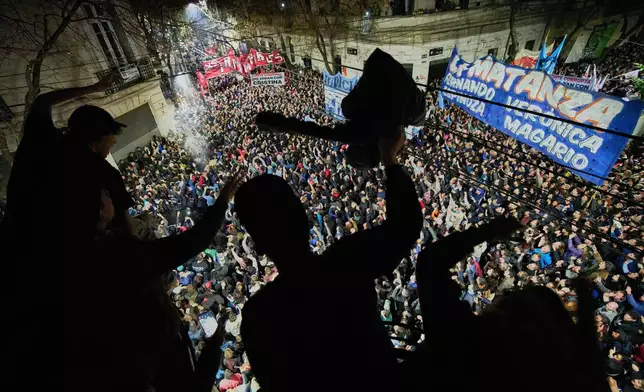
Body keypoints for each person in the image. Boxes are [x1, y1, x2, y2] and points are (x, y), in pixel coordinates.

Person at [237, 127, 422, 392]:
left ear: (257, 245)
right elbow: (405, 227)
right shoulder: (346, 261)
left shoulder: (259, 317)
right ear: (304, 219)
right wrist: (389, 158)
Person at [65, 172, 246, 392]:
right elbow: (191, 241)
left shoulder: (75, 262)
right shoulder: (119, 257)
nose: (112, 197)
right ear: (101, 210)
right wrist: (223, 200)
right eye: (106, 194)